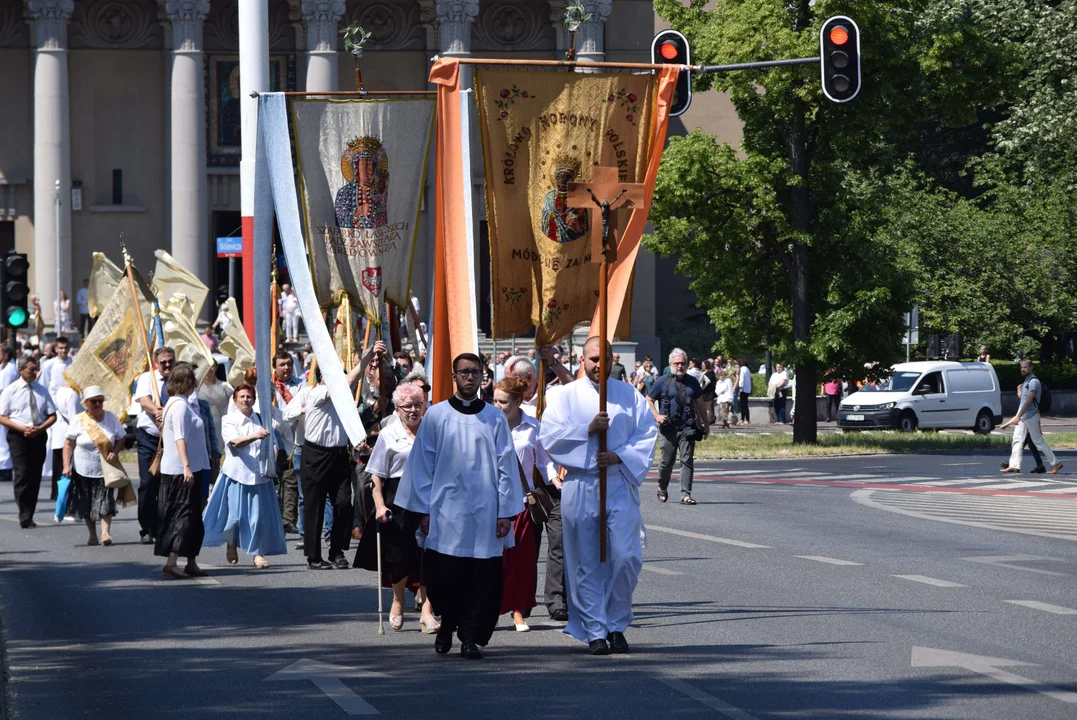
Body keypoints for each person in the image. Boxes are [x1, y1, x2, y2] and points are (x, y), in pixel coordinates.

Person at [395, 353, 519, 659]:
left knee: (482, 578)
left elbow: (506, 465)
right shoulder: (436, 416)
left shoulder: (494, 417)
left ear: (482, 377)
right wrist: (423, 510)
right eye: (464, 372)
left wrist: (505, 512)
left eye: (475, 372)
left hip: (485, 511)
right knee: (444, 578)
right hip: (445, 510)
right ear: (454, 377)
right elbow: (422, 465)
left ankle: (470, 637)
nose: (470, 377)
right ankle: (448, 624)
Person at [539, 337, 657, 655]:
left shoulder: (628, 395)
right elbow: (548, 437)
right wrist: (586, 429)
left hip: (617, 483)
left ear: (611, 359)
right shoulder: (563, 396)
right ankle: (595, 629)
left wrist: (619, 455)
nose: (596, 365)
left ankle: (617, 622)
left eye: (602, 359)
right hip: (581, 483)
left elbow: (646, 432)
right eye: (591, 359)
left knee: (627, 556)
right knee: (586, 560)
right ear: (581, 359)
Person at [353, 383, 439, 632]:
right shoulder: (388, 434)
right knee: (400, 557)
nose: (413, 410)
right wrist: (379, 506)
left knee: (429, 556)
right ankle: (399, 600)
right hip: (398, 499)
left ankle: (426, 610)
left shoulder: (432, 432)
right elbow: (376, 476)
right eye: (407, 406)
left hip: (429, 497)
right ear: (397, 409)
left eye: (418, 405)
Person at [286, 358, 363, 570]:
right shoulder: (316, 393)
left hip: (339, 456)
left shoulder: (343, 398)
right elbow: (288, 414)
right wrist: (364, 361)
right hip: (315, 456)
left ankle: (336, 551)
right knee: (314, 507)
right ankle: (314, 556)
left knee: (344, 504)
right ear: (324, 377)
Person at [203, 384, 287, 568]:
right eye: (241, 397)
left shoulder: (261, 420)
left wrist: (271, 460)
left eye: (249, 397)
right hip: (236, 475)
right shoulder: (229, 419)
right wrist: (256, 436)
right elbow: (234, 442)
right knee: (235, 516)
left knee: (257, 517)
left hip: (259, 476)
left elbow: (273, 444)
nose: (245, 400)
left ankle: (257, 553)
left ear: (254, 400)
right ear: (235, 400)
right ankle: (231, 543)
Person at [493, 377, 553, 633]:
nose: (497, 406)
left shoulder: (532, 426)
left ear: (518, 401)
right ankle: (490, 609)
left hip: (521, 503)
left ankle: (519, 611)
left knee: (522, 561)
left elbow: (543, 460)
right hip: (492, 503)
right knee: (493, 561)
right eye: (494, 400)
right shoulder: (484, 424)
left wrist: (555, 478)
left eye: (503, 402)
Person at [156, 362, 211, 579]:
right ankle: (172, 561)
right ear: (188, 382)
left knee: (194, 517)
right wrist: (186, 466)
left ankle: (191, 561)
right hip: (182, 471)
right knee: (183, 516)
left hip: (196, 467)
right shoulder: (178, 406)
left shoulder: (181, 403)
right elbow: (180, 438)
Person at [62, 386, 124, 546]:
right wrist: (66, 465)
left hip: (105, 468)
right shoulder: (78, 419)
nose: (97, 404)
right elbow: (68, 444)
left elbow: (121, 438)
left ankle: (105, 533)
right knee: (87, 503)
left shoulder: (111, 418)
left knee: (106, 500)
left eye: (100, 401)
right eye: (93, 402)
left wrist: (115, 452)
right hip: (82, 469)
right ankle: (92, 535)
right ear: (86, 403)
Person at [0, 357, 57, 528]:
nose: (34, 372)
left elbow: (52, 415)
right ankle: (23, 511)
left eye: (35, 369)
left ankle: (29, 513)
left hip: (38, 435)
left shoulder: (42, 390)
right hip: (18, 436)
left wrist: (40, 428)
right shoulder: (11, 390)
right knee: (22, 472)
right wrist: (21, 428)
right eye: (31, 369)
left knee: (34, 475)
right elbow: (2, 416)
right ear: (21, 370)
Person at [647, 348, 708, 505]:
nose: (680, 366)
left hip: (687, 427)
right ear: (670, 364)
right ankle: (662, 486)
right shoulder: (661, 381)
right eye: (677, 363)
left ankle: (685, 494)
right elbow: (648, 400)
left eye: (683, 363)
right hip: (668, 428)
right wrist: (657, 416)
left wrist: (705, 424)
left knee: (687, 460)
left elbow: (700, 403)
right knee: (666, 461)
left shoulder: (692, 382)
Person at [133, 346, 176, 544]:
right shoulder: (146, 377)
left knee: (167, 486)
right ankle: (147, 527)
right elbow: (144, 400)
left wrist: (167, 413)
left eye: (170, 361)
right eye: (163, 362)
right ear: (156, 362)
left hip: (172, 439)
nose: (167, 365)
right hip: (149, 438)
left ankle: (164, 526)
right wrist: (158, 411)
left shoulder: (178, 377)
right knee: (148, 484)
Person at [1000, 359, 1063, 474]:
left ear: (1031, 368)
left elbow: (1029, 401)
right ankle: (1014, 465)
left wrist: (1018, 416)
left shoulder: (1033, 382)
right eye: (1021, 367)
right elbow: (1023, 402)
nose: (1023, 369)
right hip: (1023, 417)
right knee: (1017, 440)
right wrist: (1013, 419)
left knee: (1038, 441)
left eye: (1025, 367)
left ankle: (1056, 463)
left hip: (1031, 416)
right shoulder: (1026, 382)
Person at [271, 351, 304, 535]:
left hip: (293, 438)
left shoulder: (301, 385)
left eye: (289, 364)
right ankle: (273, 518)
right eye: (282, 364)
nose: (286, 367)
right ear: (275, 367)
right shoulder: (269, 386)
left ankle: (288, 519)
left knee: (291, 479)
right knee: (274, 481)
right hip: (273, 438)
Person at [198, 364, 233, 454]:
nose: (210, 368)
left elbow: (235, 399)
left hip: (222, 422)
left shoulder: (224, 385)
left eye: (212, 365)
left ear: (216, 367)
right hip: (205, 422)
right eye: (207, 365)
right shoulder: (197, 387)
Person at [737, 358, 752, 425]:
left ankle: (746, 419)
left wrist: (740, 387)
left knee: (743, 405)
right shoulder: (747, 369)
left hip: (743, 389)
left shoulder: (742, 369)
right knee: (744, 405)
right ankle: (743, 419)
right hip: (747, 389)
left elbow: (741, 379)